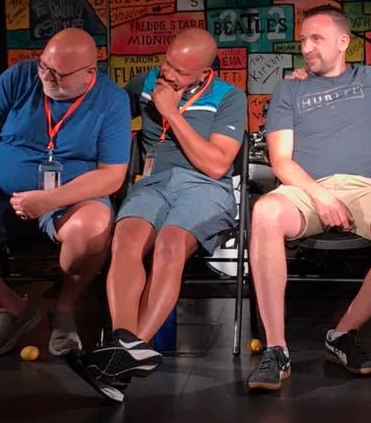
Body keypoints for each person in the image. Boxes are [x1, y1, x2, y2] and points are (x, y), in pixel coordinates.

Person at [247, 5, 371, 391]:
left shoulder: (370, 78)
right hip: (303, 188)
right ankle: (276, 349)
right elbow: (281, 160)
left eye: (316, 39)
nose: (307, 47)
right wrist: (319, 195)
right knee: (264, 212)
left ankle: (343, 335)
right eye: (304, 40)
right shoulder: (290, 88)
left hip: (362, 189)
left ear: (343, 42)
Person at [0, 28, 130, 361]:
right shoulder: (19, 77)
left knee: (93, 229)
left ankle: (64, 307)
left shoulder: (111, 99)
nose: (46, 76)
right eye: (44, 66)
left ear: (90, 73)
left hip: (66, 199)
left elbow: (111, 176)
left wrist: (49, 200)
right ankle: (13, 309)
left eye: (58, 74)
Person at [66, 27, 247, 401]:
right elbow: (101, 113)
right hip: (151, 183)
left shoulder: (229, 97)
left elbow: (216, 166)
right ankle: (124, 351)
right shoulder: (144, 83)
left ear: (203, 73)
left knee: (169, 244)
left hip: (203, 188)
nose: (168, 74)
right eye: (167, 63)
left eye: (180, 72)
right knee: (126, 240)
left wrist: (170, 113)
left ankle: (125, 356)